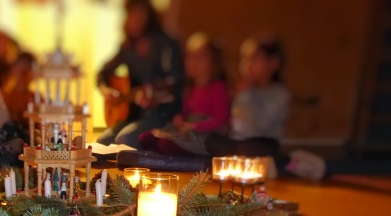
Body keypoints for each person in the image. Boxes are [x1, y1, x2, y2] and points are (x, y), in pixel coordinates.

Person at [205, 36, 326, 180]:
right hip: (238, 143)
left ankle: (290, 163)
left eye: (254, 59)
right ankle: (265, 165)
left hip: (262, 142)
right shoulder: (242, 89)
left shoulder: (279, 94)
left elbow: (258, 125)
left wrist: (245, 95)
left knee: (253, 150)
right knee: (212, 141)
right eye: (245, 59)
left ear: (273, 63)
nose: (247, 65)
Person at [96, 0, 183, 148]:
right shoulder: (128, 47)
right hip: (133, 113)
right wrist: (106, 90)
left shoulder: (166, 44)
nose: (134, 19)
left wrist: (156, 97)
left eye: (139, 14)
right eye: (131, 14)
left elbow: (177, 81)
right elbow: (104, 72)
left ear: (149, 16)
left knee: (125, 140)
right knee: (102, 143)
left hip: (160, 114)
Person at [138, 33, 229, 156]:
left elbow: (221, 120)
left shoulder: (217, 87)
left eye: (200, 57)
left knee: (166, 144)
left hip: (204, 134)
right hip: (187, 129)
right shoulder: (190, 87)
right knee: (146, 138)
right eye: (190, 57)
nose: (193, 62)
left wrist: (194, 126)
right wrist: (180, 119)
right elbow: (187, 113)